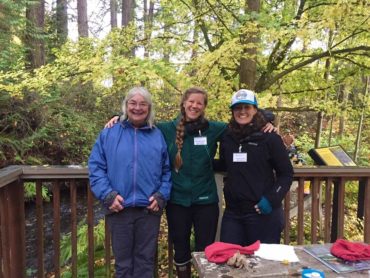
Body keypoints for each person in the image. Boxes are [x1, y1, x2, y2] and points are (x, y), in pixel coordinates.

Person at [105, 87, 275, 278]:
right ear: (184, 103)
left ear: (204, 107)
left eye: (199, 103)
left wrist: (266, 119)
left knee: (207, 250)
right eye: (191, 101)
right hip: (177, 201)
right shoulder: (165, 129)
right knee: (181, 249)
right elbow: (139, 119)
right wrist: (118, 117)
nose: (194, 105)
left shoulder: (214, 129)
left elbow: (241, 123)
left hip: (206, 201)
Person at [88, 87, 172, 278]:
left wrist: (161, 196)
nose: (137, 108)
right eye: (133, 103)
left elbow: (166, 172)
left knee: (145, 263)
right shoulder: (109, 133)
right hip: (119, 209)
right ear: (126, 105)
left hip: (148, 211)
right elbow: (96, 167)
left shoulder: (157, 135)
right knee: (123, 265)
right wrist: (108, 195)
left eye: (143, 104)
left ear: (149, 108)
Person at [214, 89, 293, 246]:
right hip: (233, 213)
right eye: (238, 108)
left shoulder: (270, 138)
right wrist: (200, 162)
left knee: (263, 265)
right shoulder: (227, 138)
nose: (242, 112)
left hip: (262, 212)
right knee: (231, 261)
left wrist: (271, 199)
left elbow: (286, 173)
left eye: (247, 107)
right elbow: (225, 164)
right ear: (232, 111)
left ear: (255, 110)